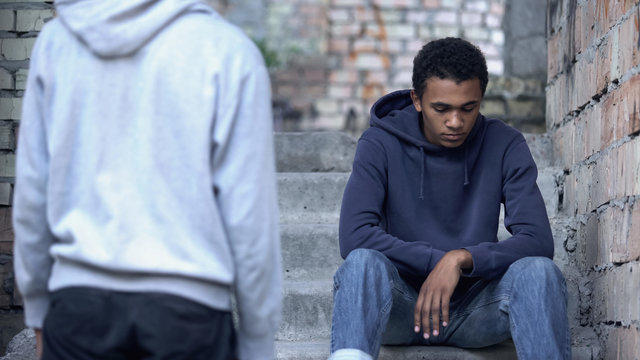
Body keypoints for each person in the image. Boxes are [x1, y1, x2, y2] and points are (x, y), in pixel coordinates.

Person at [13, 0, 281, 359]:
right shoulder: (229, 52)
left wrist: (37, 309)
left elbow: (32, 193)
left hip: (77, 311)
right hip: (190, 317)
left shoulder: (55, 43)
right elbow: (251, 220)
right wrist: (257, 340)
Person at [329, 37, 570, 360]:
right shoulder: (379, 143)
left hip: (475, 310)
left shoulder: (505, 144)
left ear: (481, 98)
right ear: (417, 100)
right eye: (441, 109)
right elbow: (354, 235)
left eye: (468, 108)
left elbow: (538, 240)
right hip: (402, 308)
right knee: (361, 264)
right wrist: (434, 263)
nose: (455, 122)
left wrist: (459, 259)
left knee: (540, 272)